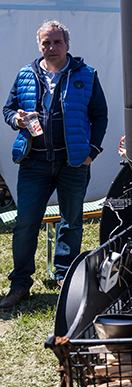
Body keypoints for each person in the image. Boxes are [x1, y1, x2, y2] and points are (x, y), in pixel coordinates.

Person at [1, 20, 108, 310]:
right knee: (25, 224)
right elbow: (8, 109)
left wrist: (92, 152)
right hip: (33, 162)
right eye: (46, 43)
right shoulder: (26, 74)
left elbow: (100, 115)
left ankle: (65, 278)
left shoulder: (85, 74)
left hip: (73, 162)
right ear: (39, 45)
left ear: (67, 45)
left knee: (71, 223)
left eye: (57, 42)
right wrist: (17, 120)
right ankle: (20, 283)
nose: (51, 48)